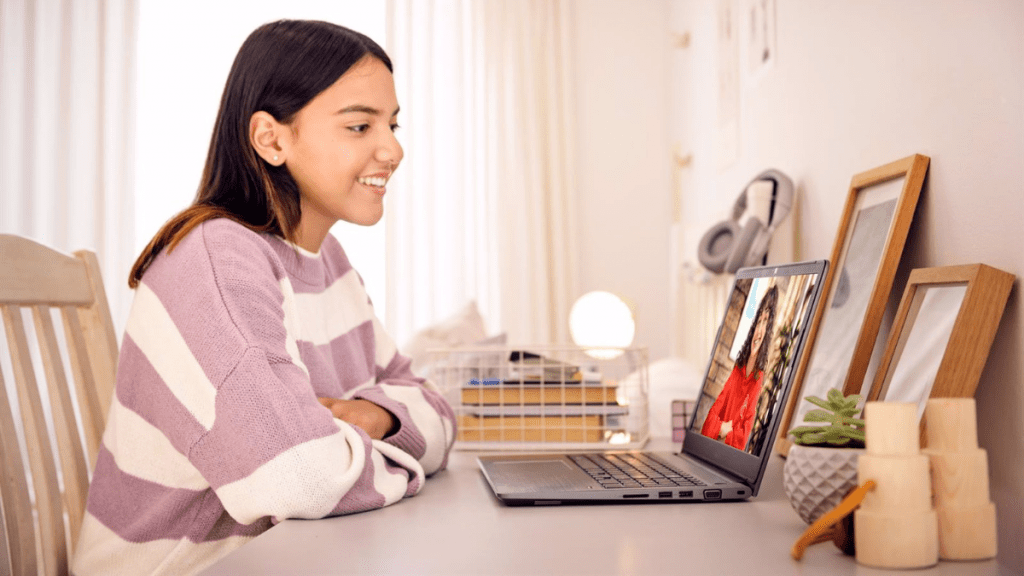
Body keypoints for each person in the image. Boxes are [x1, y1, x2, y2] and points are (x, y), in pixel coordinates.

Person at [72, 20, 456, 576]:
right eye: (359, 126)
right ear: (271, 139)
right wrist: (404, 453)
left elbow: (437, 408)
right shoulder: (214, 261)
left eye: (392, 124)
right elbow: (300, 478)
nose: (393, 148)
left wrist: (373, 418)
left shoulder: (330, 264)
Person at [700, 285, 778, 450]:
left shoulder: (758, 379)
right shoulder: (738, 368)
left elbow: (743, 435)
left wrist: (723, 432)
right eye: (759, 321)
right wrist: (722, 428)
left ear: (768, 331)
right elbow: (712, 414)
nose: (759, 330)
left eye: (766, 322)